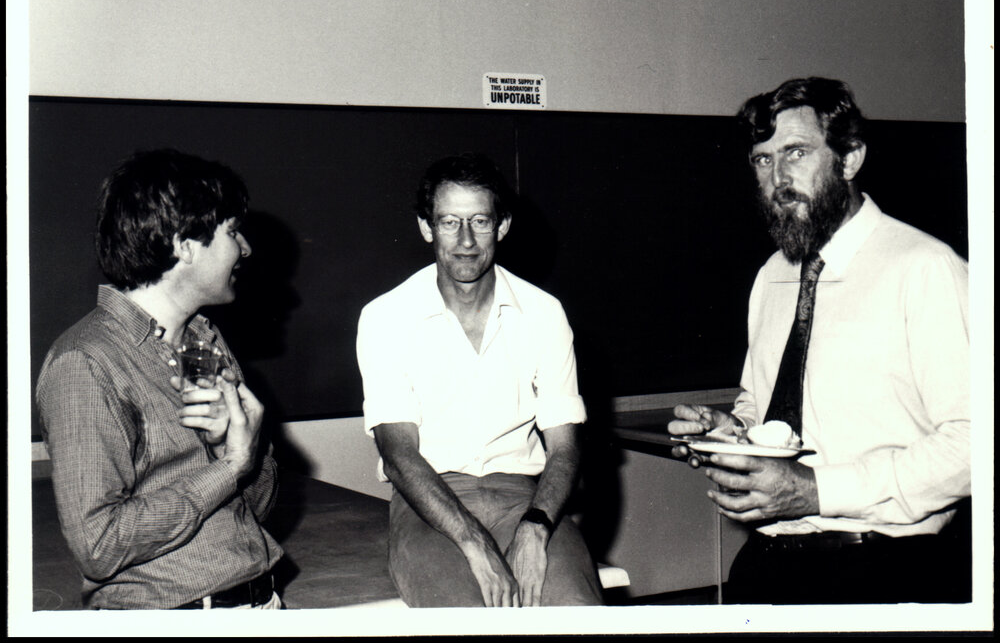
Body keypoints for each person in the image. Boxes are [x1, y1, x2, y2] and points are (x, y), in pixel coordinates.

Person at [669, 77, 971, 604]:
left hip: (886, 570)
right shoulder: (772, 276)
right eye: (762, 160)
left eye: (796, 153)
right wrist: (734, 430)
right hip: (768, 565)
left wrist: (815, 491)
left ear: (850, 158)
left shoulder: (926, 269)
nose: (778, 178)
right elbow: (762, 405)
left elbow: (975, 443)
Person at [36, 149, 283, 610]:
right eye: (232, 232)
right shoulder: (84, 363)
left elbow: (255, 510)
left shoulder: (206, 339)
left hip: (258, 602)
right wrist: (227, 468)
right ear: (184, 245)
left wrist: (238, 451)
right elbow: (99, 547)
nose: (245, 248)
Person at [356, 154, 603, 607]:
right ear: (426, 227)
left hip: (523, 498)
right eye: (449, 222)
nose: (466, 240)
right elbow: (399, 456)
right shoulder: (385, 317)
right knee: (467, 623)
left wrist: (536, 527)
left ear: (502, 226)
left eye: (480, 222)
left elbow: (565, 447)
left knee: (580, 615)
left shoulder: (544, 313)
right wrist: (474, 541)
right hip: (430, 505)